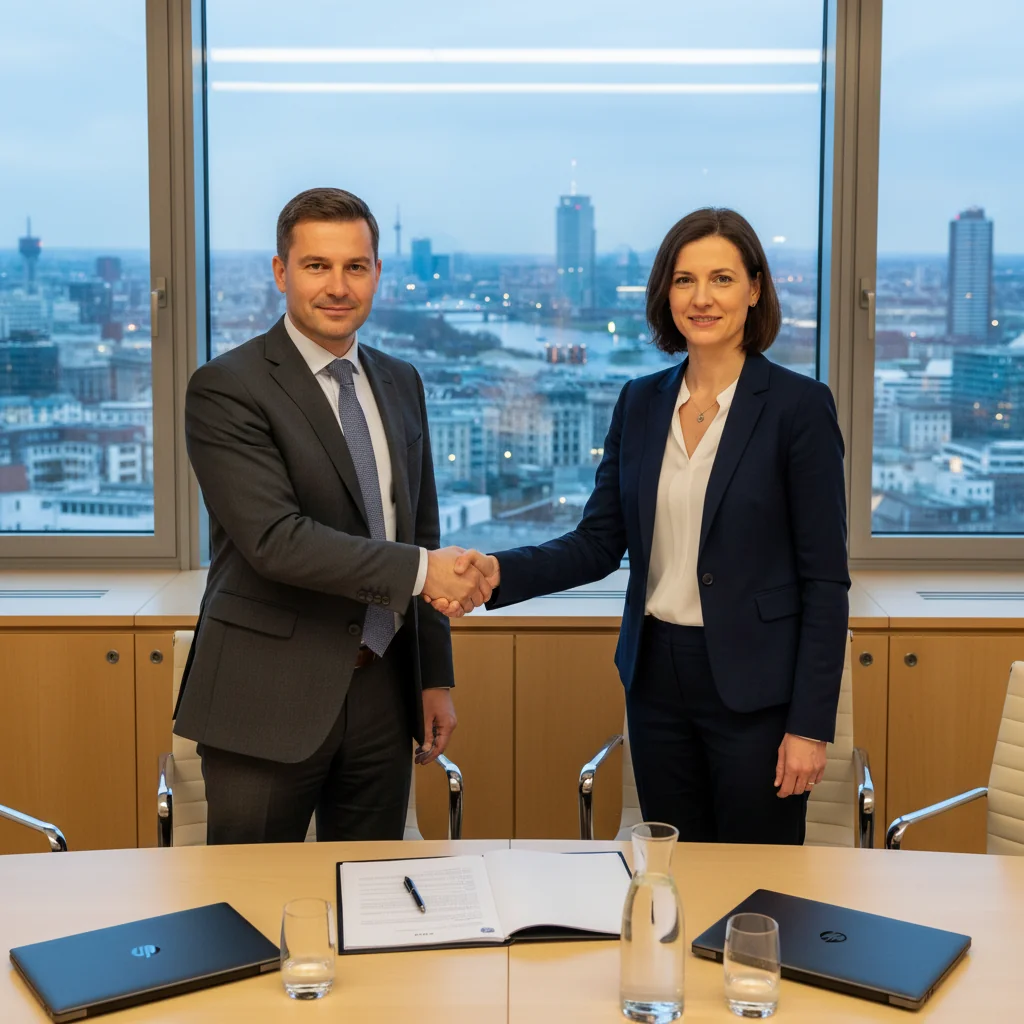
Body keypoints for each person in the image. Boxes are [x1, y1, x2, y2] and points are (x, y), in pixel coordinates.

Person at [428, 208, 850, 845]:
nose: (701, 298)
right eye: (684, 280)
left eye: (722, 279)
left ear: (756, 289)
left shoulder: (798, 407)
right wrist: (495, 573)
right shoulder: (641, 402)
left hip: (755, 688)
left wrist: (810, 726)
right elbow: (598, 542)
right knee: (670, 868)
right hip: (657, 679)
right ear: (665, 292)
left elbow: (824, 581)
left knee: (755, 882)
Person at [175, 187, 492, 844]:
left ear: (378, 272)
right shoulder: (228, 388)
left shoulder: (401, 381)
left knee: (373, 906)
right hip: (267, 699)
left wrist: (433, 677)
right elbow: (276, 541)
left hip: (382, 690)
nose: (338, 286)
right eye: (317, 265)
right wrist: (422, 570)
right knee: (247, 915)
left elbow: (418, 532)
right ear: (280, 272)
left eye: (356, 266)